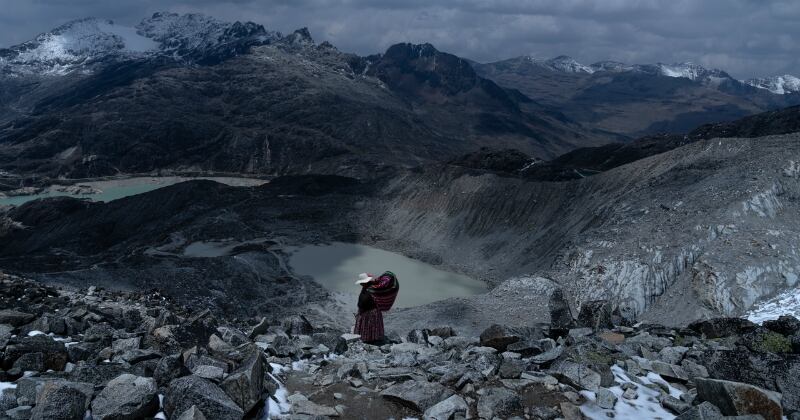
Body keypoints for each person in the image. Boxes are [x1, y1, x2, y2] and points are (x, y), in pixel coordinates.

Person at [353, 271, 399, 344]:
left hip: (368, 312)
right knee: (373, 326)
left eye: (362, 283)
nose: (361, 284)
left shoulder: (370, 289)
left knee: (368, 325)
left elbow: (365, 301)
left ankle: (368, 339)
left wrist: (361, 307)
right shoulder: (372, 287)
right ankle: (374, 337)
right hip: (373, 311)